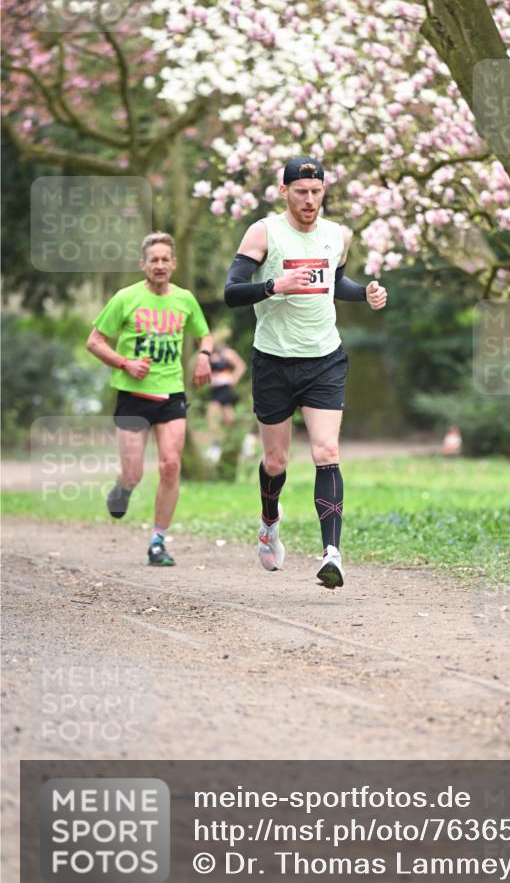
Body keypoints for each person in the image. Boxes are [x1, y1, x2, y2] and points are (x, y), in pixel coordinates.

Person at [224, 156, 387, 588]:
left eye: (316, 192)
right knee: (276, 461)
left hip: (324, 359)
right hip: (273, 361)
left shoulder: (338, 235)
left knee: (326, 452)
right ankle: (269, 521)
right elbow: (231, 291)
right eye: (301, 192)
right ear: (284, 192)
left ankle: (331, 554)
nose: (310, 200)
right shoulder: (264, 232)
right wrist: (274, 285)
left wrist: (364, 292)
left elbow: (335, 283)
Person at [86, 231, 212, 566]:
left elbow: (204, 333)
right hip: (133, 396)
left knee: (171, 465)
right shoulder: (125, 298)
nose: (159, 265)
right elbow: (95, 341)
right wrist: (125, 363)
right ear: (143, 264)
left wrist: (204, 355)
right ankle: (123, 487)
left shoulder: (185, 299)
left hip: (171, 394)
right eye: (153, 260)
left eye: (164, 259)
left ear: (174, 264)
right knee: (134, 473)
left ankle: (158, 541)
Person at [205, 329, 246, 460]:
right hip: (215, 389)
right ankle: (240, 441)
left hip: (225, 388)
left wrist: (234, 379)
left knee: (212, 414)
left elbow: (241, 365)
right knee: (229, 418)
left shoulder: (227, 353)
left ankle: (217, 445)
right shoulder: (210, 354)